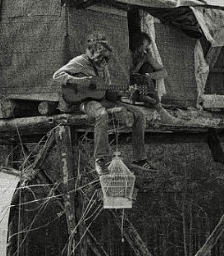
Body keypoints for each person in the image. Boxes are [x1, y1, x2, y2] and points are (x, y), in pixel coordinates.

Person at [53, 32, 155, 175]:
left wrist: (125, 92)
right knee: (101, 114)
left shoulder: (103, 65)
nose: (103, 60)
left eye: (104, 57)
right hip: (84, 102)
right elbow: (57, 76)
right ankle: (100, 159)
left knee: (139, 114)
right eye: (100, 56)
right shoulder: (80, 61)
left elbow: (108, 91)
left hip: (102, 99)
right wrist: (79, 81)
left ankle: (140, 158)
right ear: (93, 50)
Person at [129, 31, 179, 124]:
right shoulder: (129, 53)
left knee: (147, 69)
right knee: (139, 76)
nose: (145, 47)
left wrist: (149, 75)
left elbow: (164, 72)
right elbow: (132, 73)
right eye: (144, 44)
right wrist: (140, 63)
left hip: (145, 87)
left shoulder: (145, 56)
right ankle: (160, 109)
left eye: (146, 45)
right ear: (139, 42)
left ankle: (147, 97)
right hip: (133, 87)